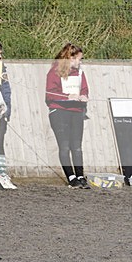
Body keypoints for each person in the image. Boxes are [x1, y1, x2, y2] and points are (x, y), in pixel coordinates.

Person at [45, 43, 90, 189]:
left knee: (77, 146)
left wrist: (83, 96)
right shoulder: (54, 72)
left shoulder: (80, 73)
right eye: (78, 59)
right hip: (59, 112)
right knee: (64, 146)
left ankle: (80, 175)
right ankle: (71, 176)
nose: (80, 62)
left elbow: (84, 89)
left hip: (76, 112)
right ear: (69, 58)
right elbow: (50, 94)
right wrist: (67, 97)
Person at [0, 41, 17, 189]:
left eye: (1, 54)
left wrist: (7, 110)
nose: (0, 56)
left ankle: (1, 173)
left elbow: (6, 90)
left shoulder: (2, 69)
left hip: (0, 113)